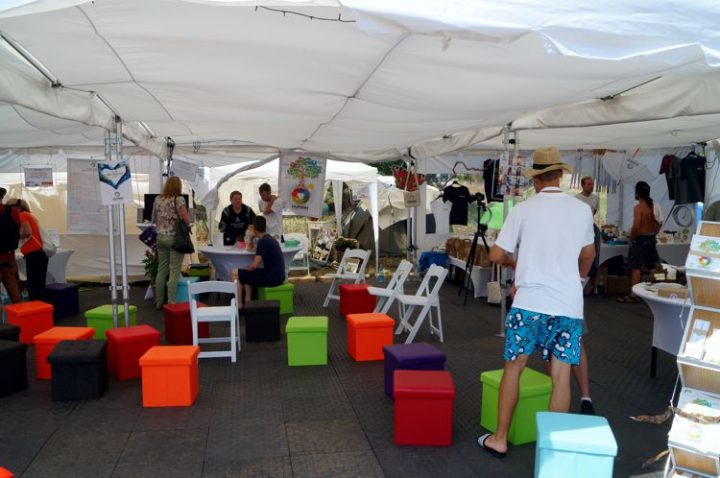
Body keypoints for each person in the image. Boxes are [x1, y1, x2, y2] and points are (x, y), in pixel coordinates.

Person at [477, 147, 595, 459]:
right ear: (560, 176)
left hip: (528, 302)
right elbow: (588, 254)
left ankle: (500, 439)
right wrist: (578, 280)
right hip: (567, 303)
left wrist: (516, 263)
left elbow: (495, 254)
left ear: (537, 180)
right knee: (560, 375)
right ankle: (551, 451)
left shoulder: (523, 209)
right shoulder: (581, 210)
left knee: (513, 369)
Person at [617, 181, 661, 303]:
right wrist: (655, 233)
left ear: (638, 193)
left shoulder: (638, 208)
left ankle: (633, 295)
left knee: (636, 268)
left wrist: (631, 238)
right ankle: (654, 291)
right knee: (653, 266)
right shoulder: (653, 206)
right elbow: (659, 222)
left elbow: (636, 225)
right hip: (651, 238)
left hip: (641, 239)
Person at [151, 176, 190, 309]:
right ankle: (171, 302)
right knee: (174, 271)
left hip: (160, 237)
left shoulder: (157, 199)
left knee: (161, 270)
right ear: (178, 186)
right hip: (175, 239)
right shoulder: (179, 200)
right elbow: (186, 220)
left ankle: (159, 302)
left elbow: (153, 219)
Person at [236, 216, 286, 307]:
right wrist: (250, 238)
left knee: (235, 273)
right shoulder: (269, 239)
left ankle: (239, 305)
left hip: (272, 278)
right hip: (279, 276)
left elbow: (254, 266)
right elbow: (250, 249)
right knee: (246, 274)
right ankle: (247, 302)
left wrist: (246, 269)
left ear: (254, 228)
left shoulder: (263, 242)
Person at [15, 199, 49, 301]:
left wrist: (14, 235)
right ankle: (41, 307)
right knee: (39, 284)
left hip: (33, 253)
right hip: (39, 253)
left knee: (34, 285)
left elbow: (27, 232)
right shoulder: (29, 215)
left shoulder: (22, 215)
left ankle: (35, 307)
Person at [0, 196, 22, 305]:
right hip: (9, 259)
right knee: (15, 295)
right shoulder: (12, 211)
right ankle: (20, 314)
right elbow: (18, 229)